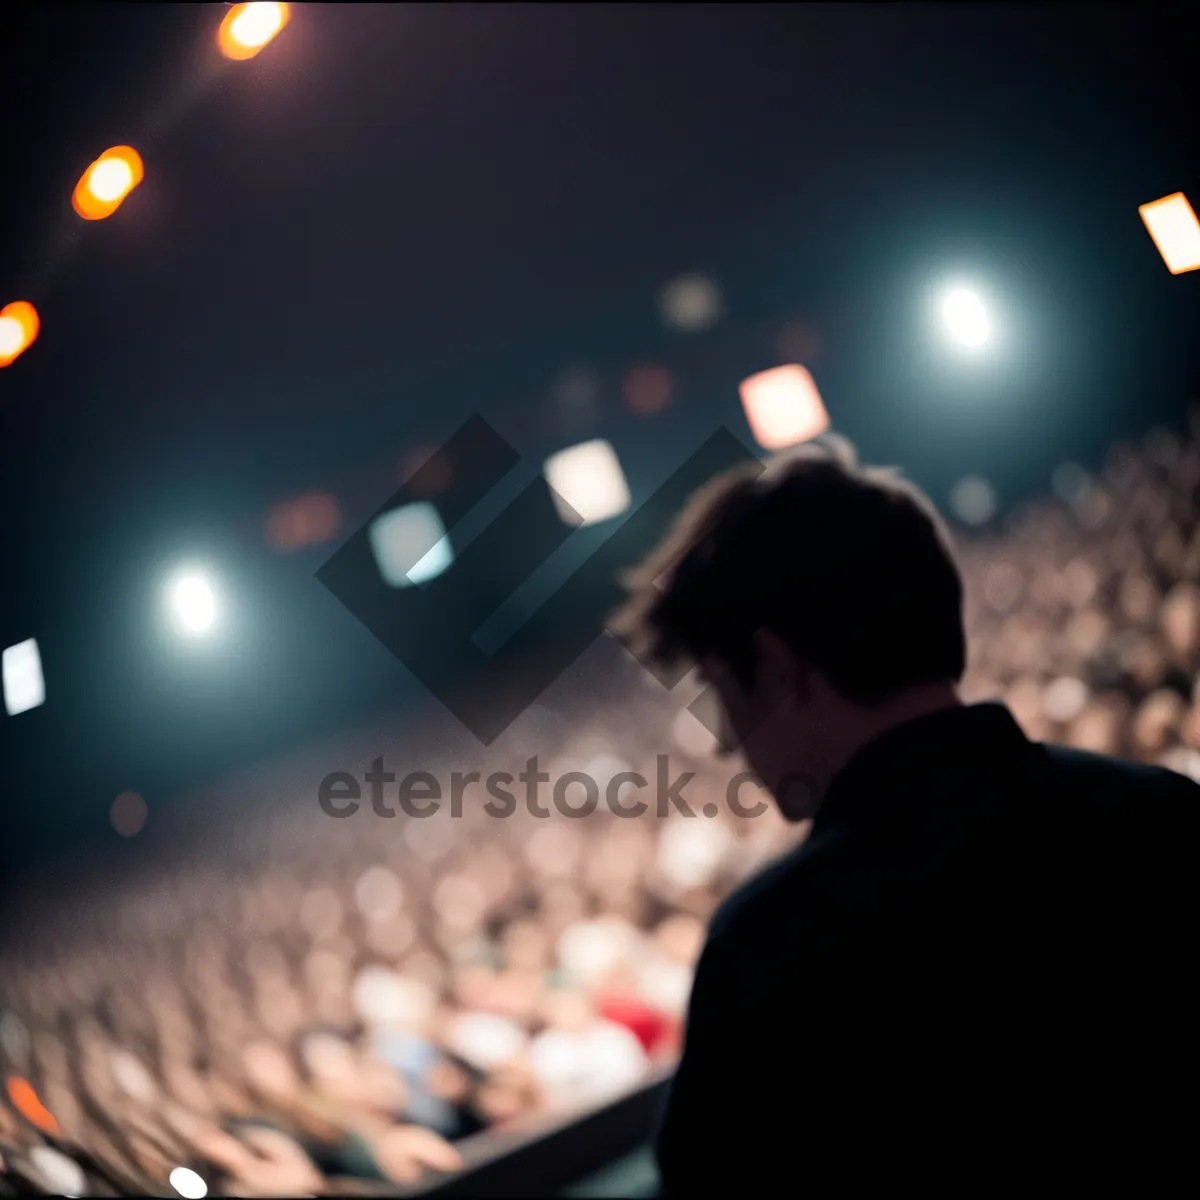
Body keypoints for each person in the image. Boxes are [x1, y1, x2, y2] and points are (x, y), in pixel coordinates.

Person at [610, 434, 1197, 1191]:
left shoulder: (770, 947)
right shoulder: (1159, 813)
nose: (725, 742)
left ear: (783, 669)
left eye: (723, 693)